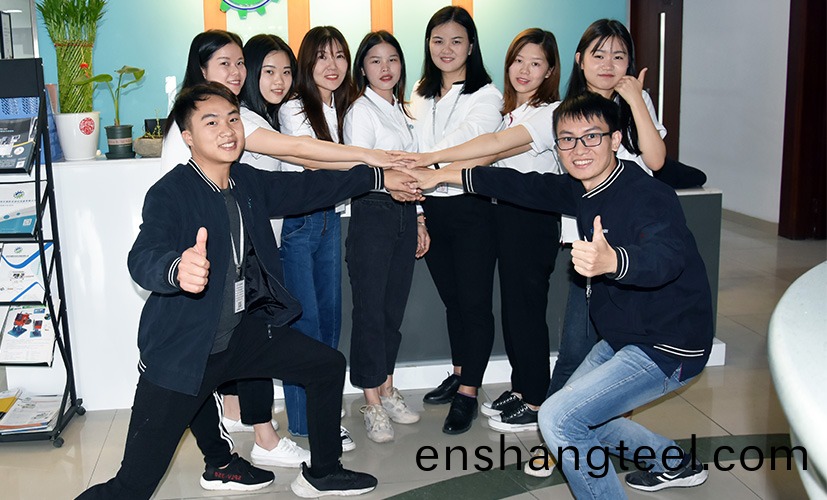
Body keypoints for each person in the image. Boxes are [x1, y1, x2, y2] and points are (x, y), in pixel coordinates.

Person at [77, 82, 418, 500]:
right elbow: (143, 254)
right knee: (132, 486)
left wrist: (378, 176)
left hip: (238, 336)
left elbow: (311, 189)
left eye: (233, 119)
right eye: (211, 122)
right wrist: (176, 268)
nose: (227, 130)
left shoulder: (245, 180)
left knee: (327, 366)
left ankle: (324, 473)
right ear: (187, 137)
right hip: (183, 350)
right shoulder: (170, 193)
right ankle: (217, 463)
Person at [402, 91, 712, 498]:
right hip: (624, 337)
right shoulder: (582, 188)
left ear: (616, 139)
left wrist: (615, 261)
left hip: (668, 345)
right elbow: (520, 184)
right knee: (583, 416)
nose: (579, 149)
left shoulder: (648, 194)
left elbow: (666, 256)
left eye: (592, 137)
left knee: (560, 419)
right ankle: (675, 464)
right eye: (567, 139)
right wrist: (442, 175)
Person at [410, 5, 503, 435]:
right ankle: (460, 370)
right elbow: (411, 139)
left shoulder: (486, 95)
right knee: (453, 301)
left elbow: (470, 140)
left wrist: (419, 162)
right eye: (438, 40)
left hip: (471, 208)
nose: (446, 49)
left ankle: (469, 392)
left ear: (471, 46)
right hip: (432, 207)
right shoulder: (420, 93)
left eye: (456, 41)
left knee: (474, 303)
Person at [343, 30, 429, 443]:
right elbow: (360, 171)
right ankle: (372, 401)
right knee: (370, 312)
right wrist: (392, 187)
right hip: (373, 213)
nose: (385, 68)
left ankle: (388, 387)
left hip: (405, 213)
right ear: (362, 68)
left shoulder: (402, 111)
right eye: (375, 60)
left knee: (392, 311)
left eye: (392, 59)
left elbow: (415, 170)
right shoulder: (361, 111)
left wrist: (419, 219)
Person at [276, 26, 360, 448]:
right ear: (306, 63)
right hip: (301, 222)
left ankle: (321, 406)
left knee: (329, 321)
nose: (333, 65)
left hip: (329, 219)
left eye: (340, 56)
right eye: (322, 56)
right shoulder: (294, 108)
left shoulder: (343, 108)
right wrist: (371, 163)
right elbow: (314, 160)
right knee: (304, 326)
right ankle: (306, 422)